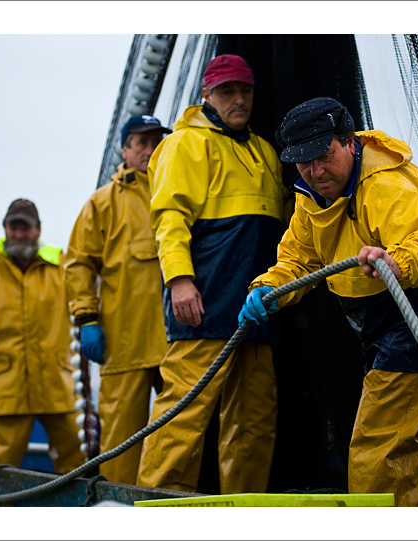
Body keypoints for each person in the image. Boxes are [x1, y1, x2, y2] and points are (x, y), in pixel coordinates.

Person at [239, 97, 418, 506]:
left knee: (379, 443)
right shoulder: (309, 196)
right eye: (303, 163)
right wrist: (268, 288)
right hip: (381, 318)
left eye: (323, 157)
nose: (315, 171)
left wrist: (398, 264)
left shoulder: (383, 184)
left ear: (350, 143)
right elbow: (298, 259)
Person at [135, 54, 289, 494]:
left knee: (255, 418)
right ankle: (156, 505)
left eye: (245, 90)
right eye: (227, 91)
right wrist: (180, 281)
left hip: (256, 303)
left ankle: (243, 510)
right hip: (204, 300)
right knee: (182, 411)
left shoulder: (263, 150)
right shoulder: (184, 144)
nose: (238, 99)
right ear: (207, 94)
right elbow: (169, 220)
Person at [63, 115, 172, 484]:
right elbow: (78, 264)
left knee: (181, 434)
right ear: (124, 150)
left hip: (180, 340)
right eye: (140, 142)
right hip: (125, 343)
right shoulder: (103, 202)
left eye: (156, 140)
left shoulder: (178, 188)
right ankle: (119, 510)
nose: (149, 149)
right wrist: (87, 319)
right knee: (121, 442)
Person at [0, 198, 82, 474]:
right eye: (13, 227)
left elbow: (89, 307)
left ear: (39, 230)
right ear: (4, 228)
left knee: (78, 466)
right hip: (5, 390)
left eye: (26, 227)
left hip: (58, 387)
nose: (19, 234)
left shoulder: (64, 267)